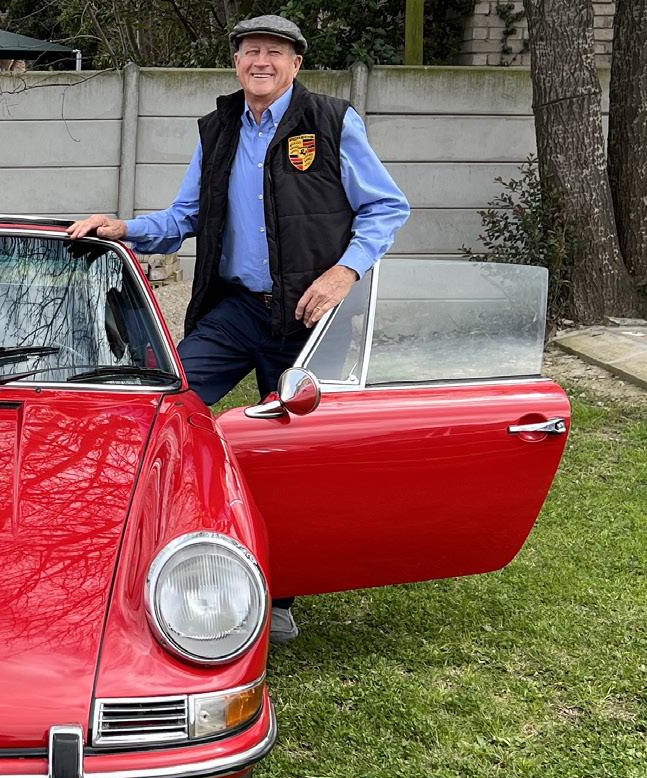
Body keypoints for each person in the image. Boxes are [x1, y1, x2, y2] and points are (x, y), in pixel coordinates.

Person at [68, 14, 411, 645]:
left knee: (293, 457)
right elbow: (186, 215)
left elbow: (387, 206)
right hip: (234, 311)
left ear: (295, 64)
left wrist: (344, 273)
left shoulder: (332, 122)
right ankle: (140, 555)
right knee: (163, 407)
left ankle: (278, 595)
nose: (261, 61)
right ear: (235, 62)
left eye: (275, 52)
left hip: (310, 317)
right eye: (251, 50)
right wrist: (126, 229)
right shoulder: (219, 127)